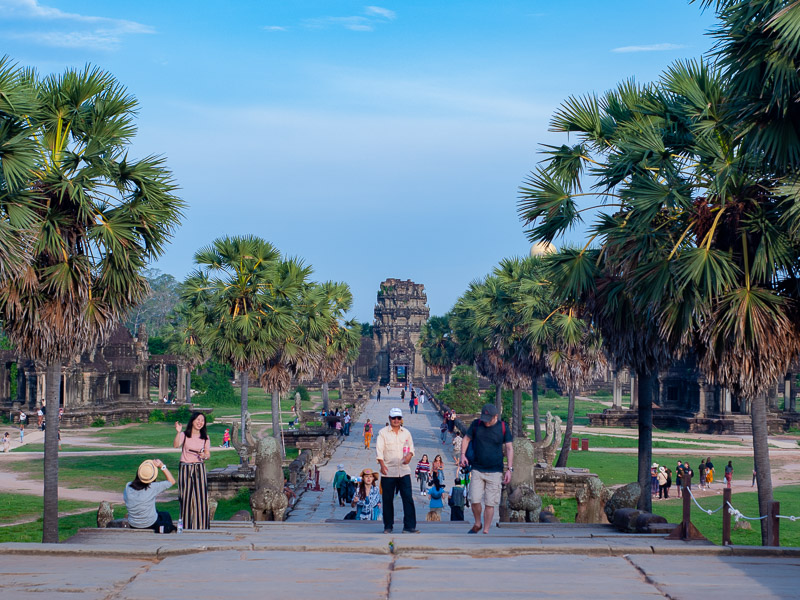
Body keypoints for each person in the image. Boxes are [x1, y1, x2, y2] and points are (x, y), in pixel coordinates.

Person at [460, 403, 513, 535]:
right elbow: (466, 439)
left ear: (495, 416)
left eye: (488, 420)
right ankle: (478, 523)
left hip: (495, 471)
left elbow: (509, 448)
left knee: (490, 503)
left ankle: (486, 530)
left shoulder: (503, 427)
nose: (486, 423)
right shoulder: (476, 424)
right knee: (474, 499)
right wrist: (462, 455)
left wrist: (509, 469)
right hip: (477, 468)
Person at [376, 407, 417, 534]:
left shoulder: (406, 433)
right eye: (394, 418)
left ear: (401, 419)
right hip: (389, 470)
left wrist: (409, 456)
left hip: (404, 470)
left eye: (398, 418)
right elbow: (379, 450)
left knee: (408, 498)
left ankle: (409, 526)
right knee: (387, 500)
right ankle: (388, 526)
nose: (396, 420)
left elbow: (411, 449)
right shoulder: (383, 433)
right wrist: (382, 465)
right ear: (389, 418)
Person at [173, 412, 211, 529]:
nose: (200, 423)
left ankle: (202, 526)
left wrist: (204, 455)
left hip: (199, 467)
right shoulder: (185, 435)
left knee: (201, 498)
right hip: (185, 467)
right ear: (193, 421)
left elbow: (207, 454)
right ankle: (185, 526)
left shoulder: (205, 437)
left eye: (202, 421)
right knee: (185, 497)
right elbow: (176, 445)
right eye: (198, 420)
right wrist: (178, 432)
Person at [123, 459, 176, 533]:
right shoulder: (152, 487)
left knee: (156, 511)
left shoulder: (128, 486)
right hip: (150, 524)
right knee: (166, 515)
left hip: (133, 524)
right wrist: (162, 466)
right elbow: (172, 481)